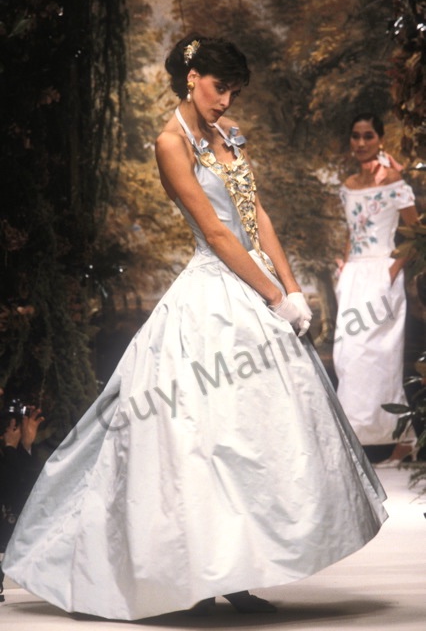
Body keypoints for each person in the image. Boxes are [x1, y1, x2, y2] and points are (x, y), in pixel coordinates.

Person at [3, 34, 387, 621]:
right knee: (200, 438)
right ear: (191, 77)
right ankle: (198, 575)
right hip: (214, 289)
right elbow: (215, 231)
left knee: (256, 436)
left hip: (256, 281)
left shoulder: (229, 134)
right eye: (219, 86)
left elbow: (256, 214)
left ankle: (242, 568)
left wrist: (291, 288)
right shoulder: (170, 142)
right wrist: (271, 295)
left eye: (234, 90)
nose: (226, 100)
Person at [333, 113, 419, 465]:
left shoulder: (395, 181)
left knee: (379, 357)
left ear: (380, 139)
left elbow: (417, 232)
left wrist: (392, 270)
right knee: (348, 357)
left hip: (383, 273)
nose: (361, 143)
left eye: (368, 136)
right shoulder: (348, 185)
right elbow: (351, 234)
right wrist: (344, 268)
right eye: (356, 136)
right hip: (354, 277)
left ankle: (403, 439)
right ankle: (353, 435)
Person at [0, 403, 44, 600]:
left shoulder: (15, 456)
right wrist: (10, 447)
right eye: (10, 428)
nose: (14, 432)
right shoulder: (8, 455)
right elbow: (9, 485)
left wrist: (25, 446)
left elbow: (31, 487)